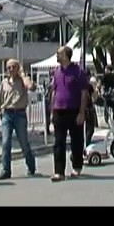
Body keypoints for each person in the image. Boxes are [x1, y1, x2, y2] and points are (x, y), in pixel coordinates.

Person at [50, 46, 89, 182]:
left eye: (59, 53)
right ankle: (59, 172)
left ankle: (77, 166)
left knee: (76, 141)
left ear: (66, 55)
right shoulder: (56, 72)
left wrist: (81, 112)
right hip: (59, 111)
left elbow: (84, 93)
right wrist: (52, 111)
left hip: (74, 110)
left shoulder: (79, 72)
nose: (57, 55)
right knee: (58, 142)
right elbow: (54, 92)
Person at [0, 58, 37, 180]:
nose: (11, 69)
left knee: (23, 142)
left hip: (19, 114)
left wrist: (23, 75)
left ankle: (31, 165)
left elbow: (32, 87)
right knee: (5, 142)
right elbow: (1, 99)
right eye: (9, 67)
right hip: (7, 114)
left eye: (13, 67)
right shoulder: (4, 82)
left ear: (18, 68)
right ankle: (6, 170)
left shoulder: (23, 81)